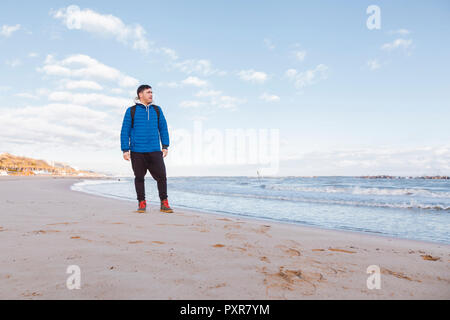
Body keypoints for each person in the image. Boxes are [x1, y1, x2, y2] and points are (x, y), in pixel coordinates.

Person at [120, 84, 173, 213]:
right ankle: (142, 203)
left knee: (162, 176)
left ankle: (164, 203)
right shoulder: (131, 111)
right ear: (140, 94)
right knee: (139, 177)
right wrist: (125, 149)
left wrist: (165, 146)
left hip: (155, 149)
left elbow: (163, 128)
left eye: (151, 92)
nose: (151, 94)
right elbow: (125, 131)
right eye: (148, 92)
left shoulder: (157, 110)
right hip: (137, 150)